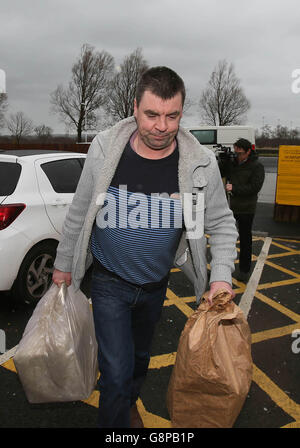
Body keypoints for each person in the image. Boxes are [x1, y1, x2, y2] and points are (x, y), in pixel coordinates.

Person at [52, 66, 238, 428]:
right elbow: (79, 211)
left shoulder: (200, 163)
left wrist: (221, 277)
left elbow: (222, 223)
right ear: (135, 106)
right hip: (109, 283)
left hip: (155, 286)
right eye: (152, 114)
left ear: (181, 113)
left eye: (172, 116)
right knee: (116, 375)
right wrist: (63, 265)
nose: (161, 126)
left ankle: (129, 403)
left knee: (138, 361)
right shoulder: (106, 149)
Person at [219, 138, 265, 282]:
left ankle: (244, 270)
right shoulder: (233, 163)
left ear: (248, 152)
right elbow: (219, 172)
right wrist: (224, 160)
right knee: (226, 240)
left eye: (240, 153)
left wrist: (235, 189)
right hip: (230, 207)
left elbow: (254, 188)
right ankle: (223, 270)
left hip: (246, 209)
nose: (237, 156)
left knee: (245, 240)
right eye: (235, 152)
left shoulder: (256, 166)